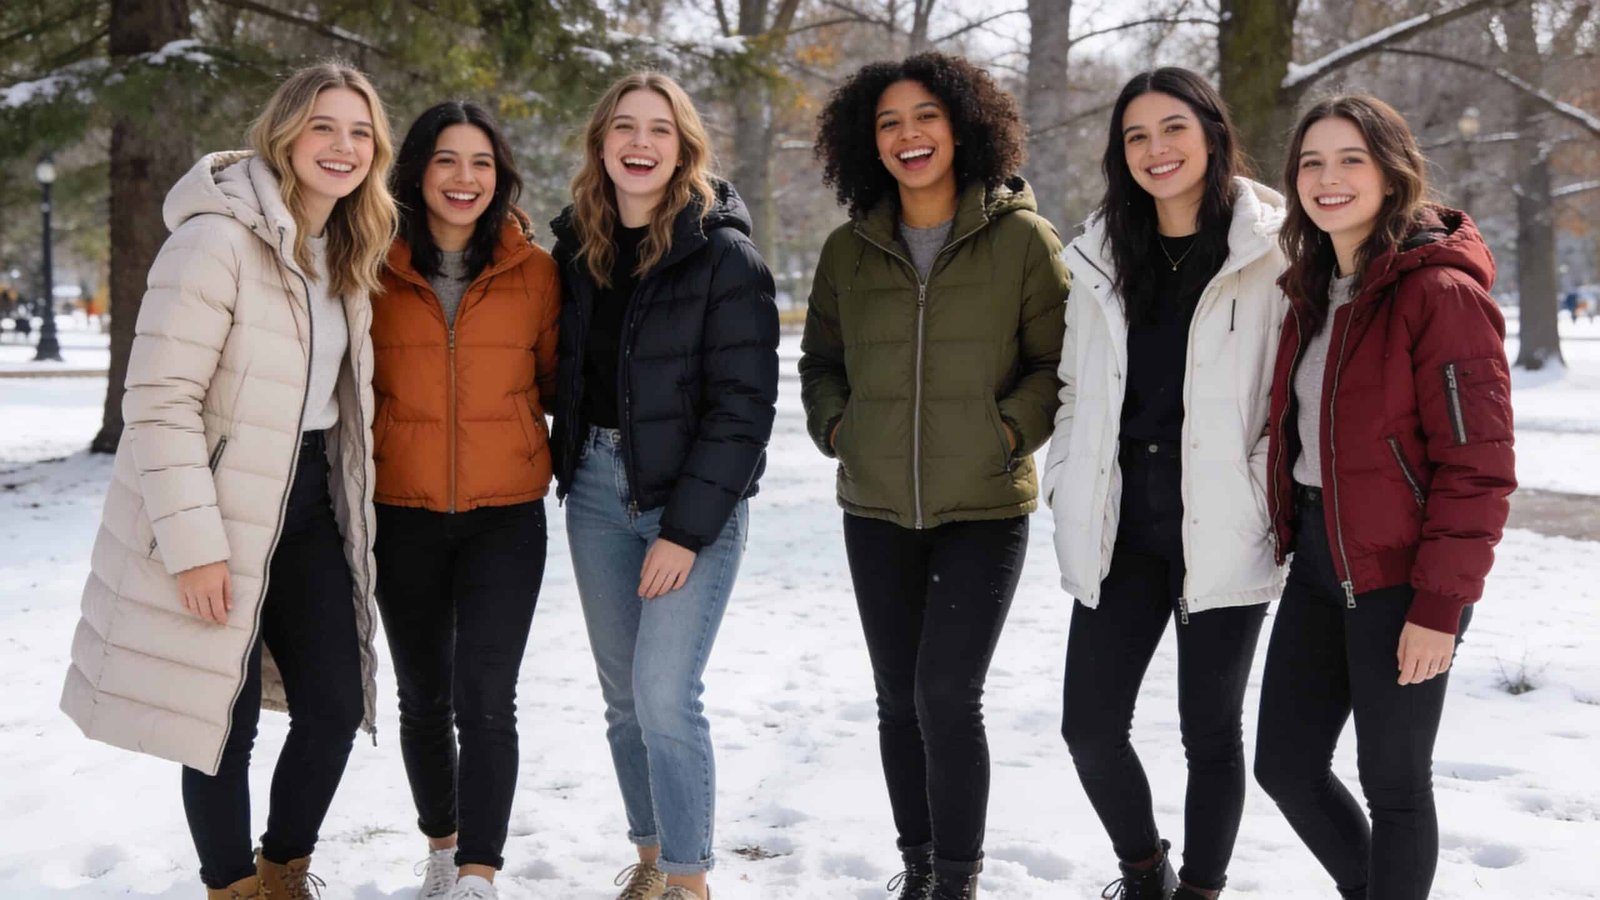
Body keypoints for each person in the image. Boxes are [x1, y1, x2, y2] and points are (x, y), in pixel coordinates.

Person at [60, 62, 397, 900]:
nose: (342, 146)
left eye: (360, 132)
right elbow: (160, 401)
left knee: (333, 705)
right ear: (283, 132)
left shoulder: (346, 247)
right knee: (221, 720)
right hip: (218, 507)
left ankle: (283, 872)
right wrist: (195, 546)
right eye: (324, 126)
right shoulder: (217, 239)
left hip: (311, 501)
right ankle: (230, 888)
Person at [801, 52, 1069, 900]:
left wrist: (1005, 431)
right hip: (875, 504)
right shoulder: (849, 250)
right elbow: (820, 363)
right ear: (866, 143)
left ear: (962, 127)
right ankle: (917, 867)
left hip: (983, 505)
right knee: (895, 700)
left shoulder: (1024, 240)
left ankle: (958, 878)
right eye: (887, 123)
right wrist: (840, 428)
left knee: (945, 692)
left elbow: (1056, 366)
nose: (908, 136)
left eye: (925, 117)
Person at [1253, 94, 1516, 900]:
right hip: (1320, 561)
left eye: (1351, 159)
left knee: (1394, 782)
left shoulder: (1439, 293)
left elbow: (1480, 466)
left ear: (1392, 170)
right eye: (1311, 162)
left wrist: (1440, 604)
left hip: (1405, 576)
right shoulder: (1310, 287)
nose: (1328, 178)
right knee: (1286, 766)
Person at [1039, 67, 1287, 900]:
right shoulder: (1103, 250)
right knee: (1090, 727)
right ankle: (1144, 870)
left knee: (1209, 731)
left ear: (1213, 133)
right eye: (1136, 136)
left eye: (1174, 128)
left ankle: (1202, 891)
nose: (1156, 149)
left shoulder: (1275, 246)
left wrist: (1265, 489)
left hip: (1223, 517)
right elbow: (1076, 388)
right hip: (1123, 520)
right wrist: (1068, 475)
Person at [548, 72, 779, 900]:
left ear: (684, 146)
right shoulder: (578, 249)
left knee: (664, 695)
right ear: (601, 143)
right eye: (624, 127)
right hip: (595, 495)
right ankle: (647, 865)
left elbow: (744, 408)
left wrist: (685, 530)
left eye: (659, 129)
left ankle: (688, 880)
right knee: (622, 700)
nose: (640, 144)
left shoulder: (724, 255)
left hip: (691, 504)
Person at [370, 99, 560, 900]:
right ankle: (443, 850)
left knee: (487, 697)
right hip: (400, 510)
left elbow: (557, 382)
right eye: (447, 160)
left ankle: (480, 873)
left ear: (500, 176)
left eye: (481, 162)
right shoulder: (370, 265)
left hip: (505, 514)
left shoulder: (535, 271)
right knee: (424, 697)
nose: (464, 178)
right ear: (415, 171)